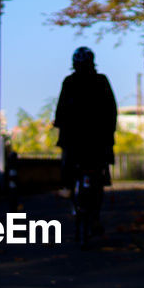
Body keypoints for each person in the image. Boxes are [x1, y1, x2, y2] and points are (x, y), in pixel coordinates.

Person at [54, 46, 117, 192]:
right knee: (99, 164)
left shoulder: (69, 82)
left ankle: (68, 187)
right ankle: (99, 179)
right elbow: (111, 109)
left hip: (77, 137)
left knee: (70, 163)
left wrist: (60, 123)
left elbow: (61, 108)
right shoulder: (101, 81)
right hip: (97, 137)